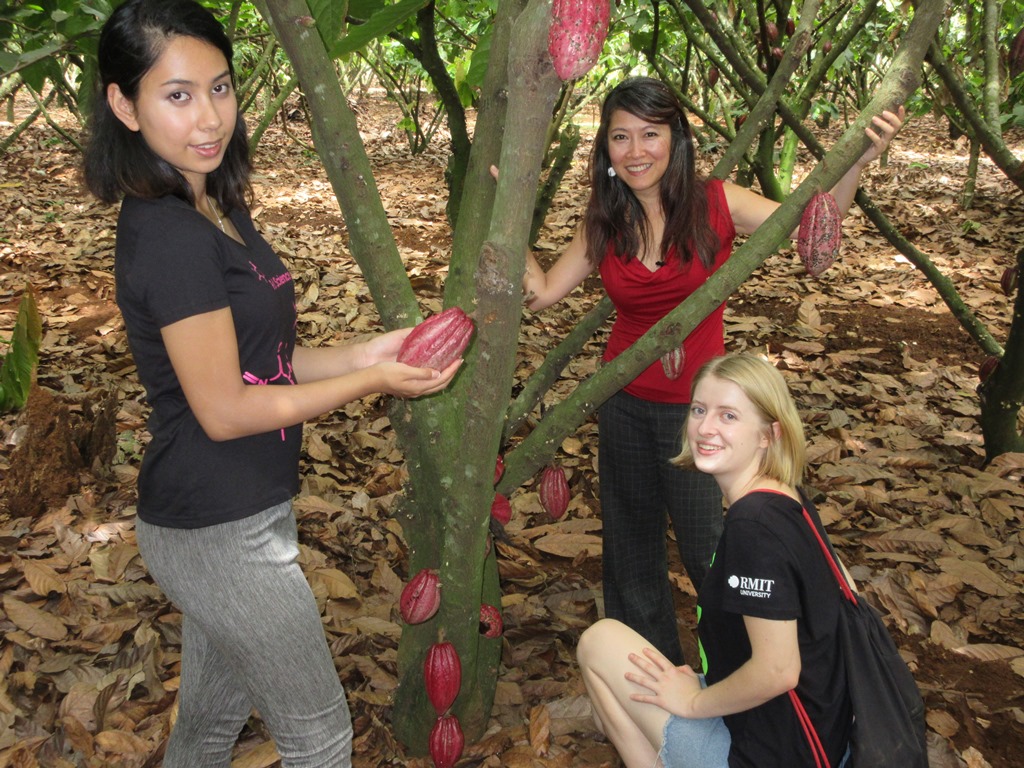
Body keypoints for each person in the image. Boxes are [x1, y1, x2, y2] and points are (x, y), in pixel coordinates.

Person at [82, 1, 461, 765]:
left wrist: (369, 354)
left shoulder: (213, 203)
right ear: (124, 104)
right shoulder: (169, 236)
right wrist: (374, 383)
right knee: (320, 735)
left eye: (220, 89)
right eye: (177, 95)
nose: (209, 118)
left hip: (239, 516)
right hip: (216, 531)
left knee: (210, 726)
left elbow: (267, 361)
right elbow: (224, 410)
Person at [519, 76, 902, 665]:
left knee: (711, 549)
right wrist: (505, 215)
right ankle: (651, 681)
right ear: (606, 149)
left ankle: (751, 676)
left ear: (677, 140)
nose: (636, 150)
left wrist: (855, 162)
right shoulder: (605, 220)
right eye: (621, 136)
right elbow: (541, 291)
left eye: (651, 133)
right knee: (631, 550)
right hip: (621, 400)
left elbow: (811, 234)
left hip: (699, 414)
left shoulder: (717, 202)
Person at [576, 353, 857, 767]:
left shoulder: (753, 528)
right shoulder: (787, 498)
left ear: (768, 434)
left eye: (729, 416)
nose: (705, 428)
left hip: (770, 753)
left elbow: (779, 671)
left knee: (597, 643)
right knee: (624, 696)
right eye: (699, 410)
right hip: (821, 738)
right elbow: (846, 592)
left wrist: (695, 701)